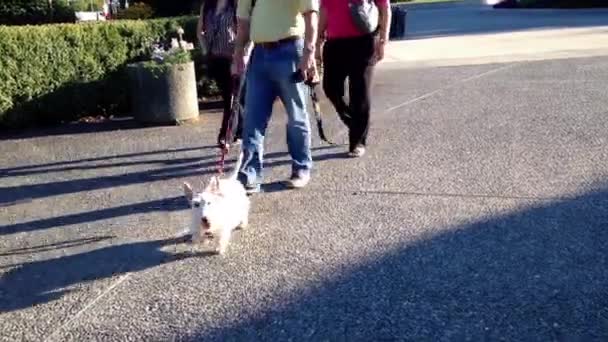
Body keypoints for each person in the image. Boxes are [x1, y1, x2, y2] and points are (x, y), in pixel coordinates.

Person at [231, 0, 319, 194]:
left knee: (297, 115)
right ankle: (249, 175)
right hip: (259, 54)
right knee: (253, 119)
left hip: (290, 49)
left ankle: (301, 168)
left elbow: (311, 13)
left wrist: (309, 52)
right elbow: (244, 21)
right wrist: (238, 52)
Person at [316, 0, 391, 157]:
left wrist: (383, 39)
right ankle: (354, 122)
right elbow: (324, 9)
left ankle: (357, 141)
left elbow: (384, 8)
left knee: (360, 93)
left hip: (364, 41)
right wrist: (318, 41)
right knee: (330, 88)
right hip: (334, 43)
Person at [197, 0, 243, 148]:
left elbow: (242, 30)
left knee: (231, 98)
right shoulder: (207, 6)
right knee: (230, 97)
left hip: (232, 58)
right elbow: (200, 32)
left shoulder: (235, 5)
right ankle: (240, 130)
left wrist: (239, 54)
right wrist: (206, 51)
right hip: (215, 59)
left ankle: (225, 135)